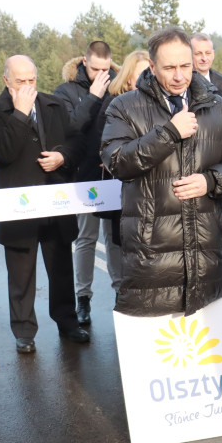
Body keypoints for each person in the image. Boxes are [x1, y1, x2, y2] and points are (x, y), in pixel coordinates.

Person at [100, 27, 222, 317]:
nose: (179, 76)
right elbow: (117, 162)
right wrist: (169, 134)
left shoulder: (216, 105)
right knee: (158, 355)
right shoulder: (124, 107)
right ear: (153, 66)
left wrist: (210, 181)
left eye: (185, 66)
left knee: (209, 357)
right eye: (169, 68)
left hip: (208, 254)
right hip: (152, 258)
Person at [0, 55, 90, 353]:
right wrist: (19, 114)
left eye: (31, 80)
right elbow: (4, 153)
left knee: (60, 269)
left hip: (55, 201)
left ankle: (67, 322)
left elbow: (77, 142)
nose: (27, 86)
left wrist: (63, 157)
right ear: (6, 80)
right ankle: (24, 331)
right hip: (18, 206)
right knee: (21, 274)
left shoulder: (53, 105)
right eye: (20, 81)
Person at [53, 41, 118, 326]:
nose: (101, 74)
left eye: (106, 68)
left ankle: (121, 296)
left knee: (115, 239)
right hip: (84, 174)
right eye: (95, 68)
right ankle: (83, 299)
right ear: (84, 61)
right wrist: (92, 97)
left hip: (114, 171)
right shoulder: (66, 90)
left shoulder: (117, 86)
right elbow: (69, 128)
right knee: (86, 239)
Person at [84, 50, 151, 310]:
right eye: (142, 73)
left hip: (148, 189)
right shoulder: (114, 101)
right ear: (128, 75)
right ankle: (120, 293)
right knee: (116, 243)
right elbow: (104, 146)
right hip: (118, 187)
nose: (147, 77)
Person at [190, 33, 222, 108]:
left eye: (208, 53)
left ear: (213, 54)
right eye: (198, 54)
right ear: (189, 55)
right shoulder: (182, 84)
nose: (204, 58)